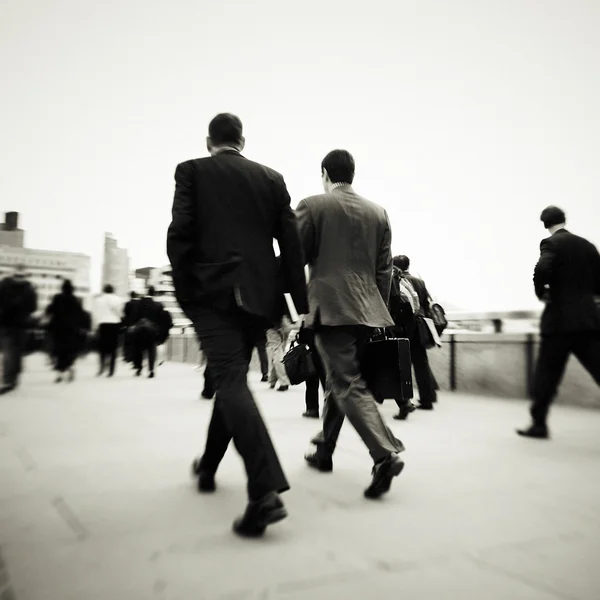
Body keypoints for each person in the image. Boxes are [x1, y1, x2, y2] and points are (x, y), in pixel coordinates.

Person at [167, 113, 308, 537]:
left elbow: (180, 233)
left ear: (209, 140)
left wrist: (185, 290)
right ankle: (209, 466)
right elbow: (291, 243)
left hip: (212, 294)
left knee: (229, 380)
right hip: (259, 296)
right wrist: (295, 304)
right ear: (241, 141)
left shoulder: (191, 171)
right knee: (232, 381)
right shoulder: (271, 178)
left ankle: (264, 492)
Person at [295, 149, 405, 499]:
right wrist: (378, 312)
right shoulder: (378, 212)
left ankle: (383, 454)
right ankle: (325, 449)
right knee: (338, 380)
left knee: (346, 382)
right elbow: (384, 269)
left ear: (325, 173)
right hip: (367, 309)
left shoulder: (313, 206)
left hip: (330, 307)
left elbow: (294, 259)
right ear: (352, 174)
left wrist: (298, 307)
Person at [517, 206, 600, 439]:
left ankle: (539, 424)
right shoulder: (587, 245)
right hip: (588, 320)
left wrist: (541, 292)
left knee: (547, 374)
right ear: (564, 220)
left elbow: (541, 269)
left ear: (545, 223)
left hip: (559, 322)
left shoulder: (551, 243)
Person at [393, 255, 438, 411]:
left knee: (401, 363)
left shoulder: (395, 280)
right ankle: (428, 399)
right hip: (419, 326)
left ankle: (404, 400)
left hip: (403, 327)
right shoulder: (420, 282)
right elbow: (425, 305)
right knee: (421, 363)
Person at [0, 264, 37, 394]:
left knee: (16, 353)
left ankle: (12, 377)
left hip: (19, 325)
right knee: (9, 352)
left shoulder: (29, 289)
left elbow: (33, 307)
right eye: (17, 276)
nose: (19, 278)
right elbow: (33, 308)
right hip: (8, 324)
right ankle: (8, 380)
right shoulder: (5, 285)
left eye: (21, 276)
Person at [45, 279, 86, 383]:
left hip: (58, 329)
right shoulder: (76, 300)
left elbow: (49, 310)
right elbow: (81, 315)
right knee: (69, 350)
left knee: (59, 350)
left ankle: (59, 373)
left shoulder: (57, 298)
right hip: (72, 330)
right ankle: (70, 367)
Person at [128, 286, 163, 378]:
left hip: (139, 329)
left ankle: (139, 369)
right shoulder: (158, 305)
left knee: (138, 349)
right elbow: (160, 320)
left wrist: (132, 326)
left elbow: (133, 316)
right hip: (152, 331)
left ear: (146, 292)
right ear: (154, 293)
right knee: (151, 350)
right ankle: (151, 370)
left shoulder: (138, 303)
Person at [93, 284, 124, 377]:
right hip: (114, 324)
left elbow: (96, 313)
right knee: (113, 348)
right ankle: (111, 370)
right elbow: (120, 313)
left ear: (104, 290)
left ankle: (101, 368)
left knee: (102, 347)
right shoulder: (118, 300)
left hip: (102, 324)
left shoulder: (98, 300)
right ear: (112, 290)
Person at [266, 314, 293, 391]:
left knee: (277, 353)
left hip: (273, 324)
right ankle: (272, 380)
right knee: (279, 352)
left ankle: (284, 382)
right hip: (287, 322)